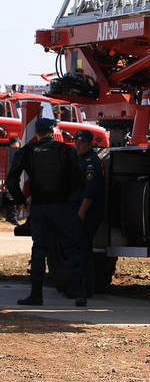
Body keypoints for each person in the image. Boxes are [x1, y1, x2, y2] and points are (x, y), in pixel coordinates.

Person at [5, 118, 86, 306]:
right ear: (53, 132)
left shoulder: (27, 151)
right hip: (62, 206)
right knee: (71, 248)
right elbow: (79, 179)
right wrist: (69, 198)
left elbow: (11, 180)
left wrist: (21, 202)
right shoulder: (66, 150)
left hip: (40, 207)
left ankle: (36, 294)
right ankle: (78, 291)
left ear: (36, 133)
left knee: (39, 250)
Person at [71, 129, 104, 297]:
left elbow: (91, 191)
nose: (77, 144)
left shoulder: (91, 162)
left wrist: (81, 214)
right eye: (76, 141)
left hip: (87, 213)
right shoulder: (80, 159)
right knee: (77, 249)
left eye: (81, 142)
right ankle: (78, 286)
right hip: (79, 211)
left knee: (83, 250)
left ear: (90, 144)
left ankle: (84, 288)